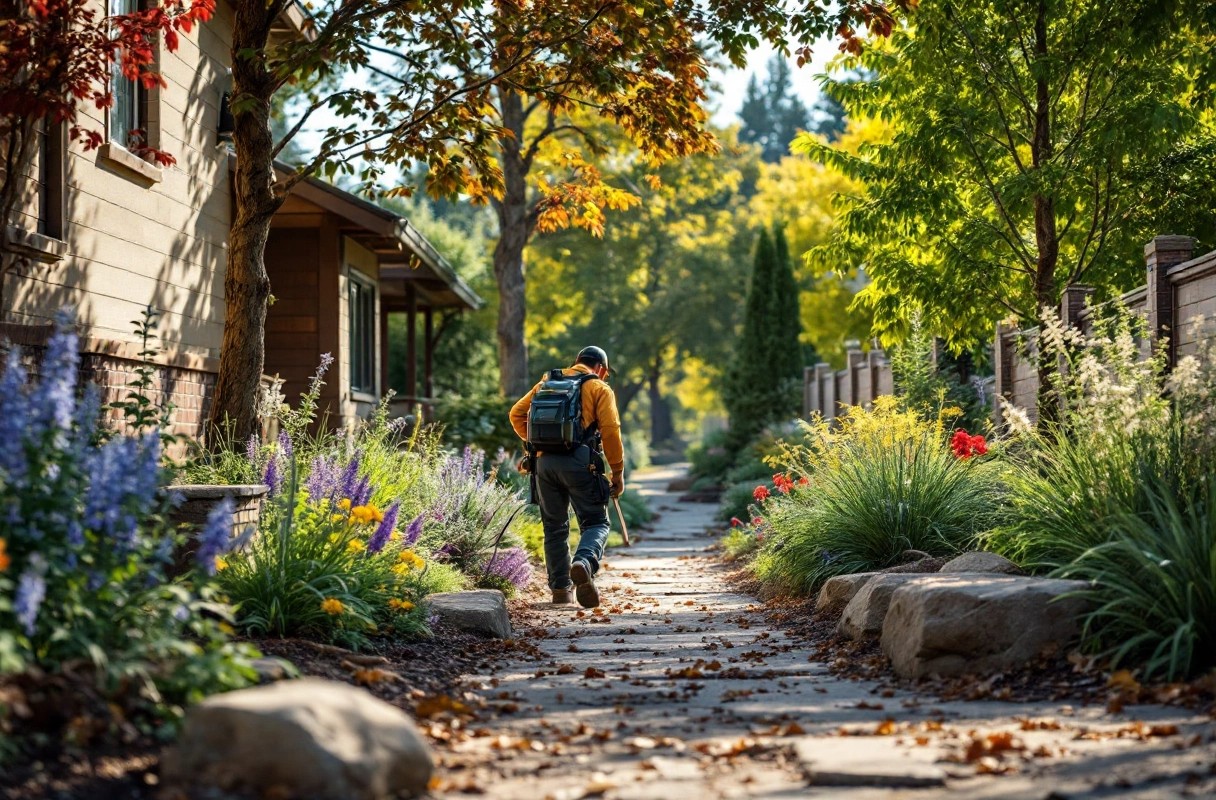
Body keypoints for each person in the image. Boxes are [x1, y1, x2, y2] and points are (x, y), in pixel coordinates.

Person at [509, 346, 625, 608]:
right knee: (596, 522)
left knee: (554, 527)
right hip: (580, 462)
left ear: (576, 362)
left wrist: (539, 444)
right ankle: (583, 562)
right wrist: (617, 471)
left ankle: (561, 591)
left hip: (544, 465)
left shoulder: (547, 382)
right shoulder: (599, 388)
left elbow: (516, 414)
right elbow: (610, 431)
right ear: (602, 369)